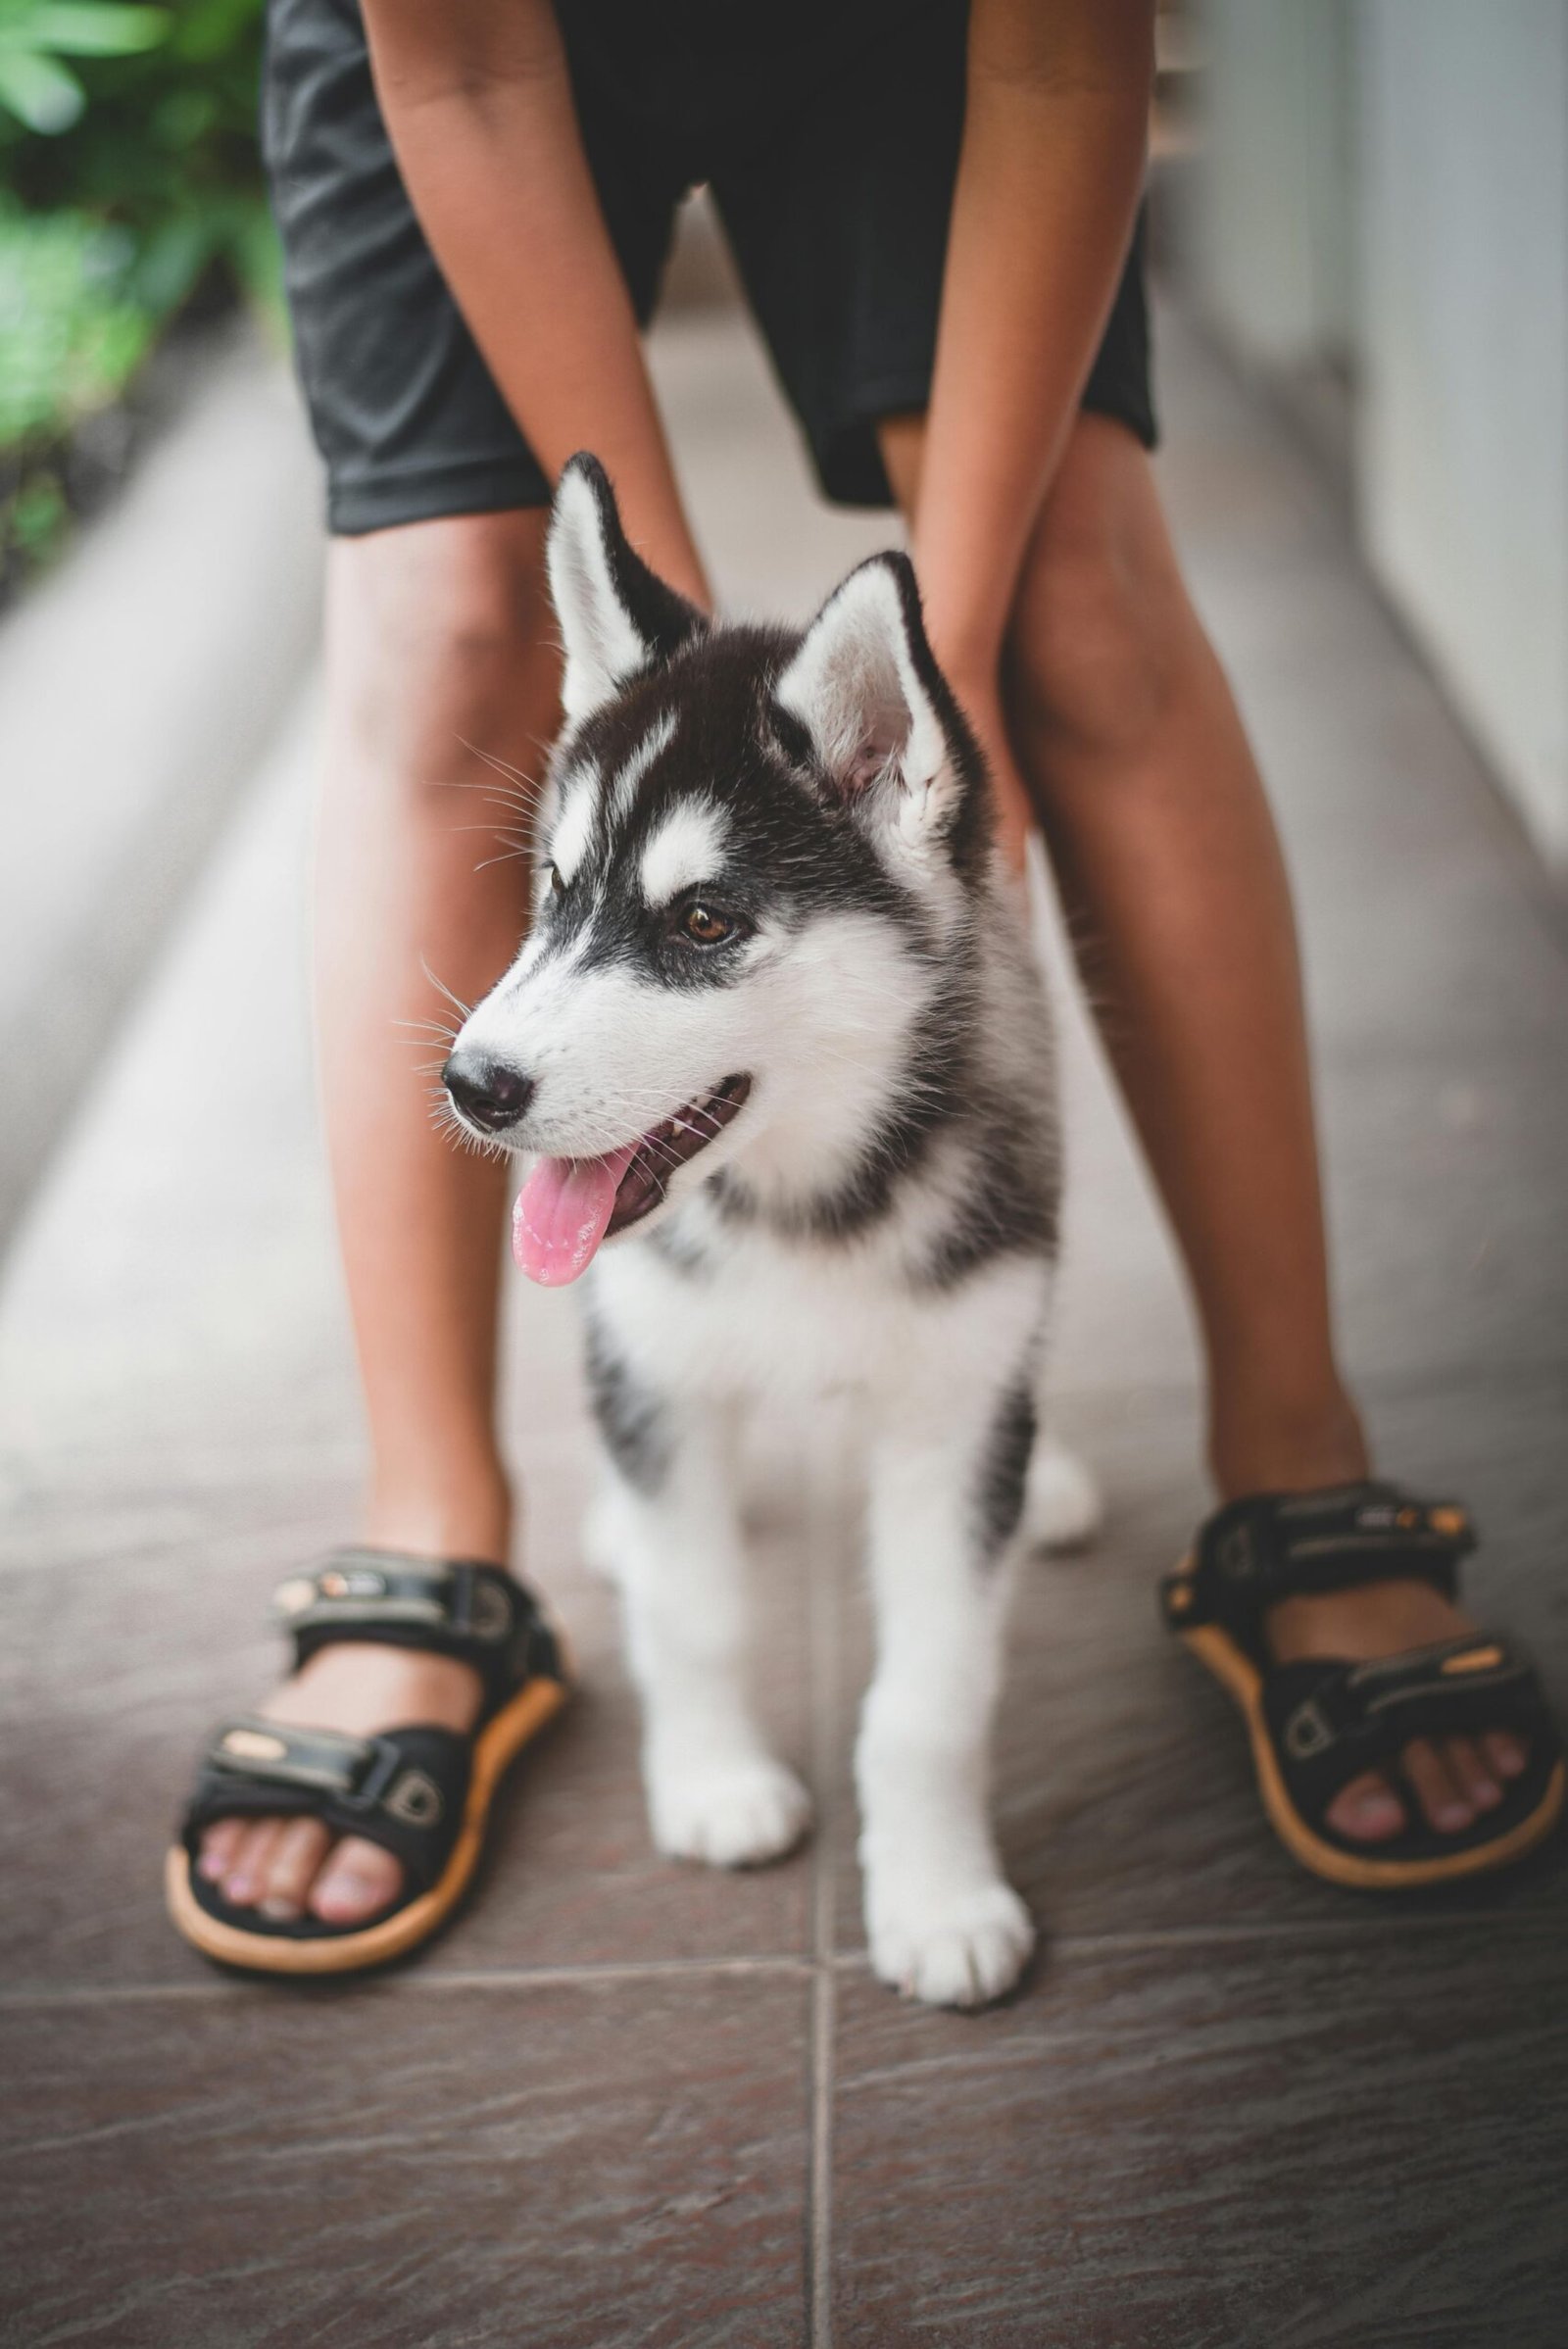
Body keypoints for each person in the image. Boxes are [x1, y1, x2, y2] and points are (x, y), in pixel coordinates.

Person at [168, 0, 1560, 1973]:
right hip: (478, 48)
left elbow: (1071, 58)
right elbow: (464, 65)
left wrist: (952, 665)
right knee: (445, 605)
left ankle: (1292, 1452)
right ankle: (429, 1524)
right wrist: (658, 683)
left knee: (1073, 590)